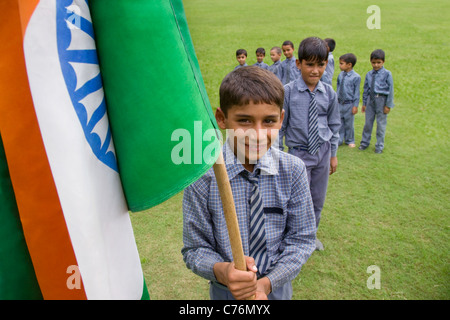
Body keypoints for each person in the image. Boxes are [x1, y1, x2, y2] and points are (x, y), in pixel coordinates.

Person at [182, 66, 316, 300]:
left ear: (281, 119)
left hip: (276, 288)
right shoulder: (202, 178)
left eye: (269, 121)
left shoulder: (293, 171)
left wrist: (266, 284)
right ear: (222, 119)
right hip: (226, 291)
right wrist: (223, 271)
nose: (257, 134)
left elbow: (302, 239)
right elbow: (194, 249)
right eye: (244, 121)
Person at [279, 37, 340, 251]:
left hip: (322, 153)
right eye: (310, 64)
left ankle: (310, 237)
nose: (315, 70)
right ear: (299, 64)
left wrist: (332, 154)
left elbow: (333, 124)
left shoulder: (329, 93)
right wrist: (277, 156)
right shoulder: (287, 92)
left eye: (320, 65)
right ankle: (291, 238)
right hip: (298, 155)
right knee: (296, 200)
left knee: (317, 199)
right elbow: (280, 127)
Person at [359, 49, 394, 153]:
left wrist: (388, 105)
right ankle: (364, 143)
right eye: (373, 62)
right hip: (371, 100)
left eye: (379, 63)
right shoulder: (369, 74)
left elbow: (391, 90)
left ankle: (379, 146)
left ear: (383, 62)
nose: (376, 65)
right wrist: (364, 103)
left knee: (380, 125)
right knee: (368, 123)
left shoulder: (387, 74)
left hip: (381, 100)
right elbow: (366, 89)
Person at [336, 53, 361, 147]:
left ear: (349, 64)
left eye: (341, 63)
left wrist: (355, 105)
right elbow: (338, 88)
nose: (339, 65)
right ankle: (339, 139)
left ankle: (350, 140)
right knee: (339, 122)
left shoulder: (356, 77)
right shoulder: (340, 75)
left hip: (349, 103)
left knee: (349, 123)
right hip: (339, 102)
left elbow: (356, 93)